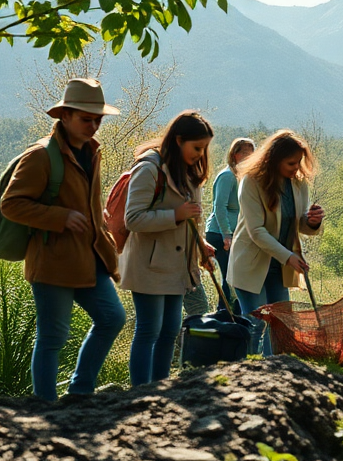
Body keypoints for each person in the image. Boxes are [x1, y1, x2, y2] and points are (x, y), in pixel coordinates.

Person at [1, 78, 125, 401]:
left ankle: (80, 393)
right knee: (53, 337)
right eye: (87, 119)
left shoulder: (92, 151)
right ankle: (46, 407)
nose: (94, 126)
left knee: (112, 318)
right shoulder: (41, 155)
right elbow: (11, 204)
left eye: (98, 120)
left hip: (90, 257)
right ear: (65, 116)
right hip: (53, 261)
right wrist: (60, 217)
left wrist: (106, 241)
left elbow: (90, 205)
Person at [119, 111, 216, 387]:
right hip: (149, 265)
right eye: (197, 147)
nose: (201, 154)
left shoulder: (189, 171)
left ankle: (160, 388)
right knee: (149, 330)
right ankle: (140, 392)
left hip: (177, 267)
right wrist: (175, 215)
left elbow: (192, 219)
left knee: (170, 330)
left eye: (204, 148)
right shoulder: (149, 168)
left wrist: (201, 247)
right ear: (178, 140)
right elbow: (133, 219)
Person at [230, 130, 325, 355]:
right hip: (251, 264)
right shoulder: (251, 181)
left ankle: (273, 370)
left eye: (299, 162)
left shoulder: (298, 184)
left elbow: (298, 223)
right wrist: (288, 257)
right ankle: (247, 369)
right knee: (256, 324)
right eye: (291, 163)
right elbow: (256, 231)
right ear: (274, 160)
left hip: (280, 267)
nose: (296, 167)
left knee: (280, 325)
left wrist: (313, 222)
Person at [205, 137, 255, 313]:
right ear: (235, 155)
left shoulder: (243, 178)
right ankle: (225, 315)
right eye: (245, 153)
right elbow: (219, 207)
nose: (249, 157)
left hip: (235, 234)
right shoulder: (227, 176)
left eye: (252, 153)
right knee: (228, 278)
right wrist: (226, 234)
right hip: (219, 234)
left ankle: (236, 316)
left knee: (236, 278)